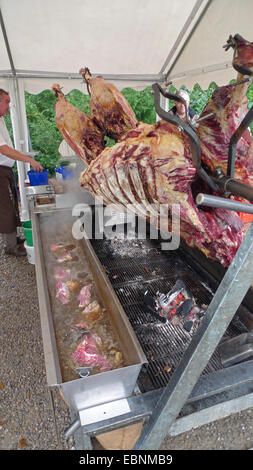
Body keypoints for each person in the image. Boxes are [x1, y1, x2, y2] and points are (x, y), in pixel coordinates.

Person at [0, 88, 43, 257]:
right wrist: (28, 160)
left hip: (5, 169)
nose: (9, 106)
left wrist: (25, 155)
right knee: (5, 207)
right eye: (7, 102)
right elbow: (3, 149)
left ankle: (11, 239)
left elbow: (7, 147)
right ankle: (10, 247)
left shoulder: (1, 119)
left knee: (11, 205)